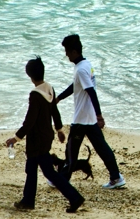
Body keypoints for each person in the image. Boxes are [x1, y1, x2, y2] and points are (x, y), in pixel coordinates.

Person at [6, 56, 85, 213]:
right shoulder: (49, 88)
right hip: (47, 136)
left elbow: (30, 121)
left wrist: (16, 138)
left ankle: (30, 201)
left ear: (29, 75)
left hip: (36, 139)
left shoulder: (35, 95)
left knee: (34, 170)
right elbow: (54, 110)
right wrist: (59, 130)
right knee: (45, 171)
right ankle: (73, 197)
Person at [55, 34, 126, 189]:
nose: (66, 54)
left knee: (71, 150)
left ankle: (61, 179)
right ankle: (116, 177)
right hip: (89, 117)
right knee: (102, 148)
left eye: (67, 51)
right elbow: (76, 86)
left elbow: (91, 92)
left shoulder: (80, 69)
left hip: (82, 118)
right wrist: (59, 98)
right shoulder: (86, 65)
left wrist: (100, 116)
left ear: (74, 52)